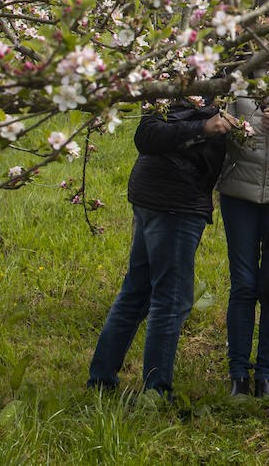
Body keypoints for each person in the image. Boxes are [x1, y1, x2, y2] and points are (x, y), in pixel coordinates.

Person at [86, 98, 232, 399]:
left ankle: (101, 380)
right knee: (171, 299)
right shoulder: (194, 80)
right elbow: (146, 134)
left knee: (137, 290)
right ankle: (156, 391)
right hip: (173, 201)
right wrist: (204, 127)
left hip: (160, 194)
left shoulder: (216, 80)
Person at [216, 93, 269, 397]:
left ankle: (266, 375)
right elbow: (217, 121)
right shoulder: (237, 73)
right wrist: (237, 127)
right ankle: (238, 374)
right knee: (244, 285)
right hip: (238, 194)